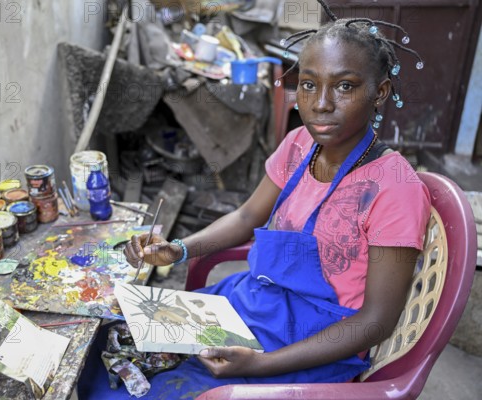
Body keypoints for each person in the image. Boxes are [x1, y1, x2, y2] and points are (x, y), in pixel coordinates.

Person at [78, 1, 431, 398]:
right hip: (252, 304)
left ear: (379, 92)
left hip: (311, 346)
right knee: (105, 346)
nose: (320, 103)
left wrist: (260, 364)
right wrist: (177, 249)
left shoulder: (395, 187)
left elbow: (376, 321)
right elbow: (247, 215)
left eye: (345, 86)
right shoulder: (299, 145)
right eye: (310, 84)